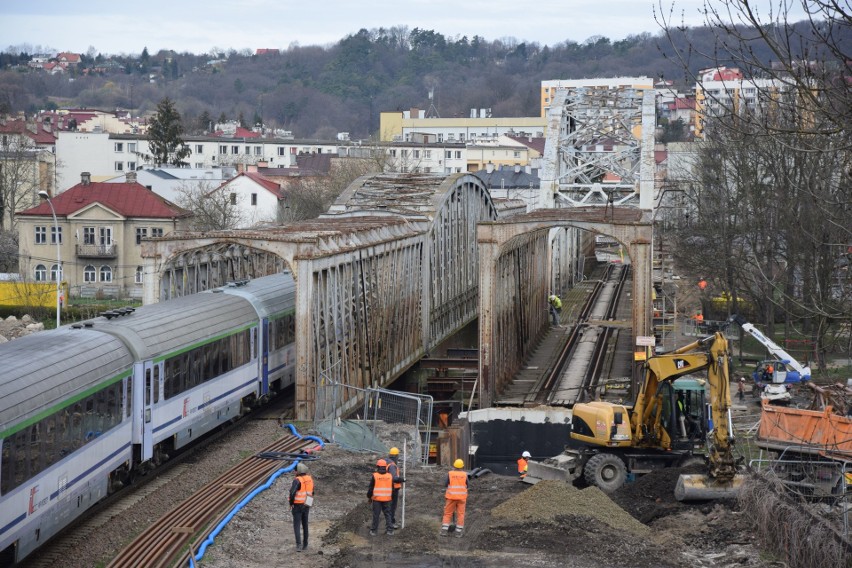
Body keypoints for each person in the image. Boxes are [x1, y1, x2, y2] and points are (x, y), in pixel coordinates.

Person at [289, 462, 314, 552]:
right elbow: (312, 492)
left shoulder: (297, 480)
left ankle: (298, 545)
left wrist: (291, 503)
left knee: (297, 524)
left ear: (298, 471)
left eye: (295, 470)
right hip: (307, 503)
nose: (295, 472)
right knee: (305, 524)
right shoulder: (310, 479)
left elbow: (292, 493)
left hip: (298, 504)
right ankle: (305, 544)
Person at [441, 459, 469, 538]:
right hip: (462, 498)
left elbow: (445, 484)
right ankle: (458, 532)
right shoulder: (465, 474)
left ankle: (444, 531)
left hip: (451, 497)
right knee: (460, 514)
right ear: (462, 466)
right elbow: (468, 485)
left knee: (447, 513)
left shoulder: (450, 474)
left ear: (454, 466)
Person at [367, 458, 394, 536]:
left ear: (378, 466)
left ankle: (374, 531)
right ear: (385, 467)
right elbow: (392, 488)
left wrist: (369, 497)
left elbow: (371, 488)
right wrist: (390, 497)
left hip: (377, 499)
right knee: (388, 514)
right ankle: (390, 530)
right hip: (387, 499)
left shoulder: (375, 476)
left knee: (376, 515)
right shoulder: (390, 476)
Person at [386, 447, 405, 529]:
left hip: (387, 488)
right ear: (396, 456)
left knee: (388, 506)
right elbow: (393, 478)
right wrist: (401, 479)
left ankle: (390, 522)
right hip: (393, 489)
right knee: (392, 507)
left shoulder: (386, 462)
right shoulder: (392, 465)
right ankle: (391, 523)